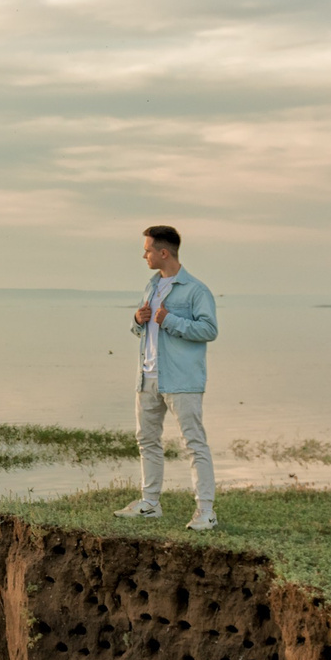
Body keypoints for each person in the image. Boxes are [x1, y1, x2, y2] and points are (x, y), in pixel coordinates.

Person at [114, 224, 218, 530]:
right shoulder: (151, 286)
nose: (143, 254)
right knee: (147, 441)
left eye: (147, 249)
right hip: (147, 378)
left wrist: (170, 320)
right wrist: (137, 320)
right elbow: (144, 330)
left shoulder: (196, 290)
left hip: (182, 380)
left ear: (163, 252)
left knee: (194, 443)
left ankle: (206, 511)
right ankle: (150, 504)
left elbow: (209, 330)